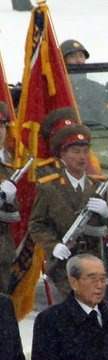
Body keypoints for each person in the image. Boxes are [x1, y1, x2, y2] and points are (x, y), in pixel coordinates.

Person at [28, 124, 108, 299]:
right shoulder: (49, 187)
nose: (82, 157)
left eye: (85, 151)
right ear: (63, 154)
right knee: (71, 307)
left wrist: (106, 214)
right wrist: (53, 245)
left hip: (93, 260)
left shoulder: (98, 186)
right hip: (63, 263)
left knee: (92, 304)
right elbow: (36, 224)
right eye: (76, 152)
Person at [0, 103, 22, 293]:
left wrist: (9, 199)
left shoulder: (10, 168)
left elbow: (16, 214)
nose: (0, 131)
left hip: (3, 250)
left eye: (2, 126)